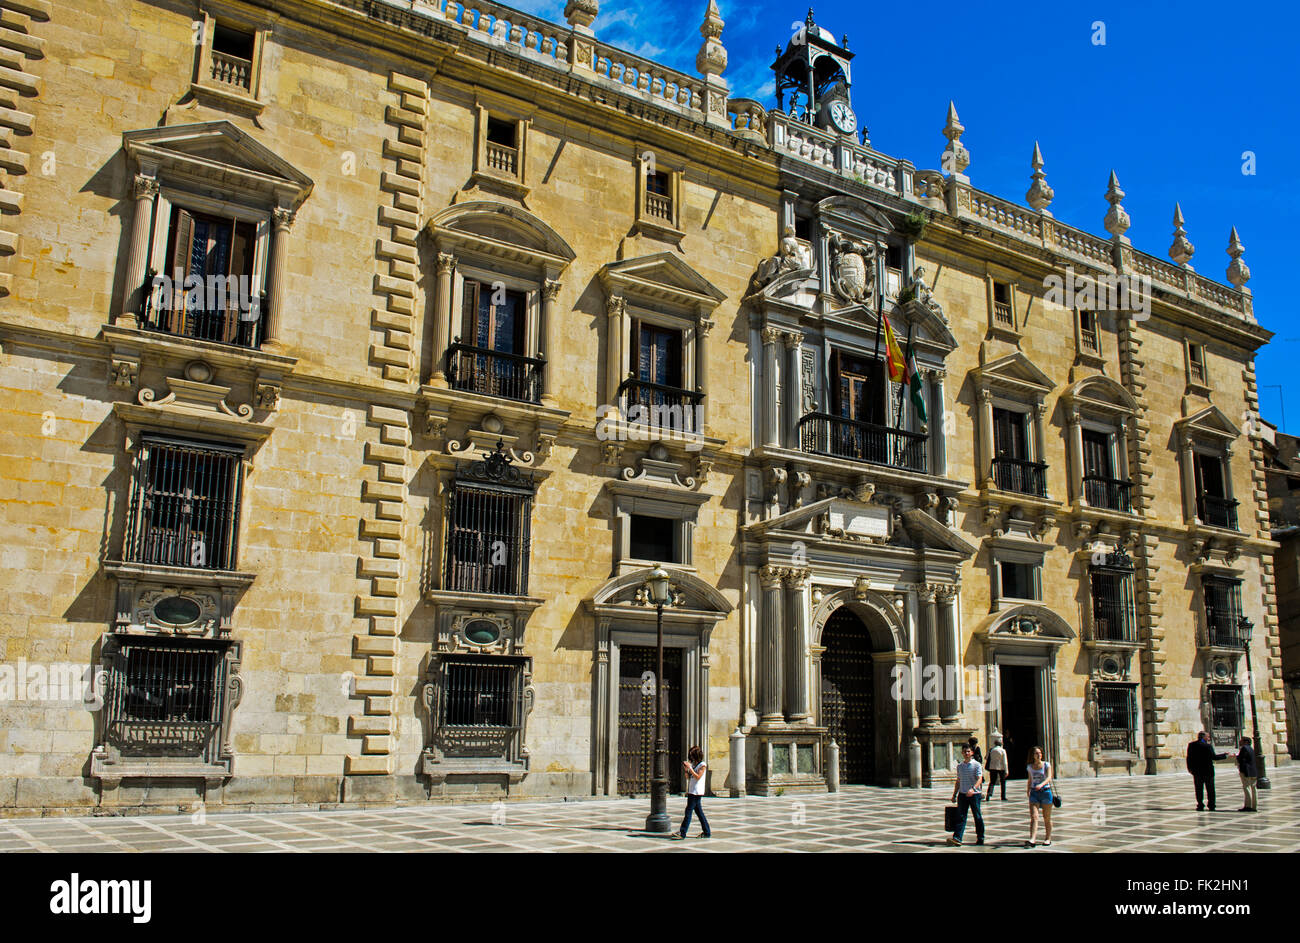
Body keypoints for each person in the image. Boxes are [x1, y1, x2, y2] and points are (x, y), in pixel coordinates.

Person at [947, 744, 985, 846]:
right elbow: (958, 781)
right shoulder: (960, 766)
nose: (966, 753)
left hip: (974, 794)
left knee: (977, 816)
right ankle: (957, 837)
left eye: (968, 751)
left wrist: (973, 789)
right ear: (962, 753)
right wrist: (954, 794)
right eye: (964, 752)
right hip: (962, 794)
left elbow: (979, 779)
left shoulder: (976, 765)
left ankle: (980, 837)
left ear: (972, 753)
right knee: (961, 816)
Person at [675, 745, 710, 839]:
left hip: (696, 792)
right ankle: (707, 832)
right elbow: (688, 778)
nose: (691, 757)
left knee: (688, 811)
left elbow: (698, 777)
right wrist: (686, 770)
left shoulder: (702, 765)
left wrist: (690, 768)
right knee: (699, 813)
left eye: (692, 755)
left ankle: (682, 832)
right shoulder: (694, 765)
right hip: (692, 791)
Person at [1186, 731, 1227, 811]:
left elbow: (1189, 758)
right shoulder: (1208, 746)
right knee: (1210, 789)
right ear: (1204, 737)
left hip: (1197, 771)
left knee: (1198, 789)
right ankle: (1211, 805)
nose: (1208, 738)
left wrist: (1190, 768)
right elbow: (1214, 757)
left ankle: (1200, 805)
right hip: (1208, 771)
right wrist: (1224, 755)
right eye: (1207, 737)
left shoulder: (1191, 745)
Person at [1024, 746, 1054, 848]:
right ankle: (1032, 839)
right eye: (1037, 753)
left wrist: (1041, 785)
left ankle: (1048, 838)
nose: (1039, 755)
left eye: (1040, 753)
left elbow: (1049, 777)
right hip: (1034, 793)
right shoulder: (1029, 767)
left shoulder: (1047, 765)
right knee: (1034, 816)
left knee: (1047, 817)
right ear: (1033, 755)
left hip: (1046, 792)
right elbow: (1030, 779)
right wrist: (1028, 789)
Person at [1236, 737, 1258, 812]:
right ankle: (1254, 806)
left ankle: (1248, 806)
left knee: (1247, 788)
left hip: (1246, 771)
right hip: (1253, 771)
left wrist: (1236, 757)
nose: (1239, 741)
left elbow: (1242, 759)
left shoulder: (1244, 748)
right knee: (1254, 789)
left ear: (1245, 742)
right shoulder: (1251, 749)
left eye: (1241, 740)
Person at [985, 735, 1009, 801]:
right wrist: (1006, 770)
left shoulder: (991, 750)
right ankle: (1003, 796)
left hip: (992, 767)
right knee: (1003, 782)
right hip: (1001, 768)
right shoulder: (1002, 750)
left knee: (992, 782)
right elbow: (1005, 761)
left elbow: (986, 758)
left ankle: (989, 793)